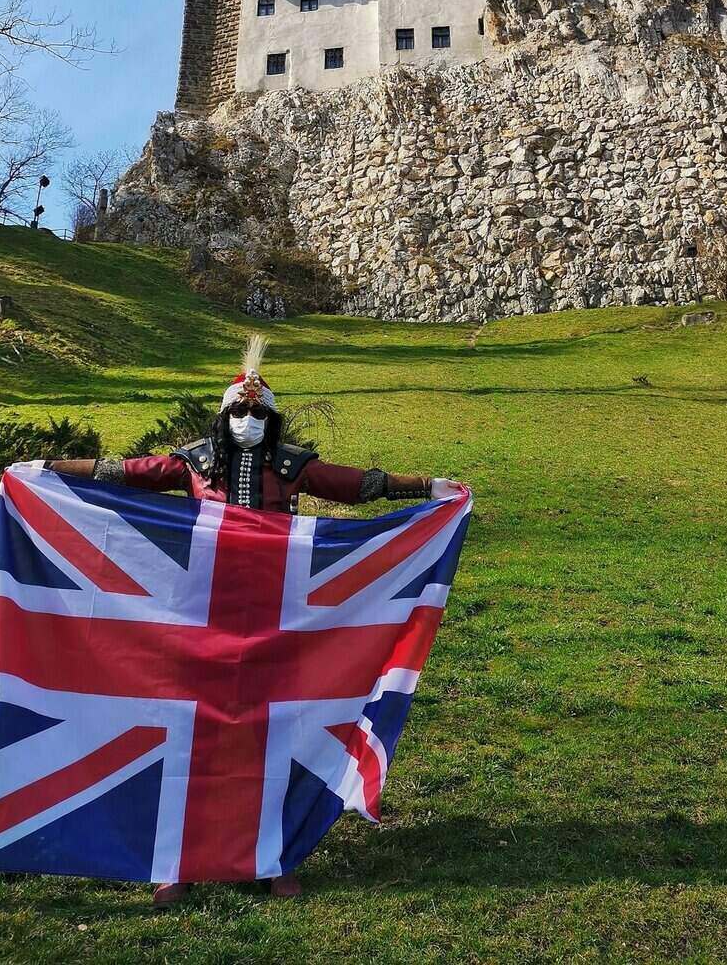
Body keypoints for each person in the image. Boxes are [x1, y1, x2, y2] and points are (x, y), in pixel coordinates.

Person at [47, 336, 459, 907]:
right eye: (238, 412)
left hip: (278, 613)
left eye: (257, 412)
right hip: (200, 609)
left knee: (274, 733)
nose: (246, 420)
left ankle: (275, 856)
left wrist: (426, 489)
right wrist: (46, 470)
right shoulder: (195, 461)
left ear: (272, 418)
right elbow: (128, 472)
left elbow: (353, 483)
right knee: (192, 733)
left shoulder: (291, 467)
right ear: (223, 416)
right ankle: (180, 860)